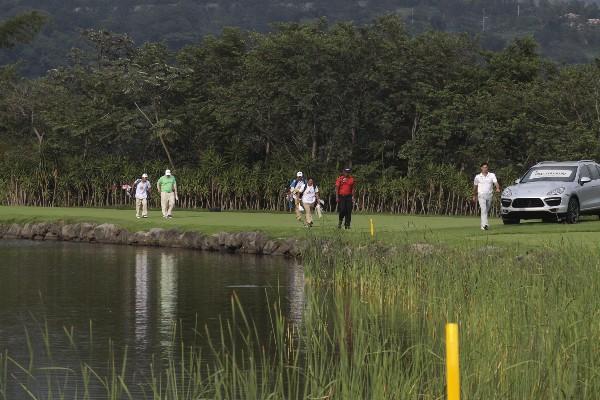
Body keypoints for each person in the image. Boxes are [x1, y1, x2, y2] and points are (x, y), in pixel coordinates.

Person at [473, 162, 500, 230]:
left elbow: (495, 182)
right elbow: (475, 187)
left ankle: (483, 224)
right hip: (481, 195)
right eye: (484, 167)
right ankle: (485, 225)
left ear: (488, 168)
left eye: (486, 167)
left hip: (489, 195)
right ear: (481, 168)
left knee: (486, 210)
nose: (485, 169)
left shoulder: (492, 175)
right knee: (484, 210)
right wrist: (474, 195)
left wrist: (497, 188)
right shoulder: (477, 177)